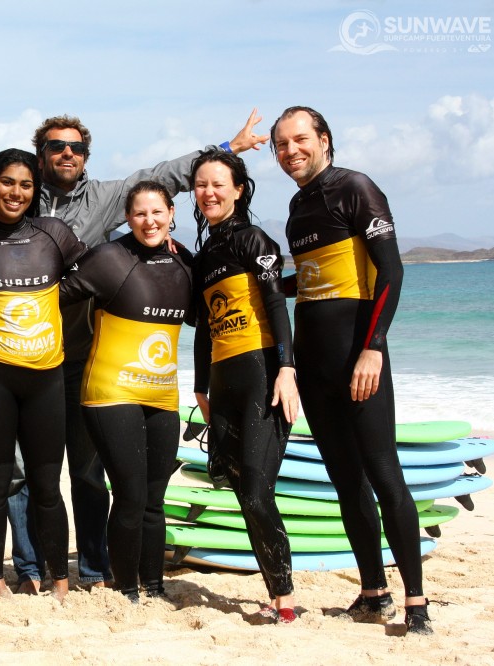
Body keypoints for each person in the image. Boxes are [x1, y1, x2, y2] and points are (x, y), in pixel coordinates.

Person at [0, 108, 268, 592]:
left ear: (85, 156)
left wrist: (227, 151)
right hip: (5, 360)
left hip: (81, 356)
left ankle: (95, 569)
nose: (66, 154)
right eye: (56, 146)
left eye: (76, 148)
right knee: (16, 475)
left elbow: (160, 183)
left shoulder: (106, 198)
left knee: (84, 471)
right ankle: (30, 568)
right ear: (40, 156)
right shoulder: (14, 188)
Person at [270, 106, 429, 635]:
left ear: (324, 139)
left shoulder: (355, 187)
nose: (290, 151)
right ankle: (372, 590)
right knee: (345, 481)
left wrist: (374, 347)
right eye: (281, 145)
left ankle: (417, 602)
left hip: (358, 360)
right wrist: (262, 288)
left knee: (385, 476)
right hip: (314, 363)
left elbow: (391, 269)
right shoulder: (296, 207)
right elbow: (313, 281)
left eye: (299, 140)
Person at [0, 148, 87, 601]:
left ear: (36, 191)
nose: (16, 192)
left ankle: (60, 581)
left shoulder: (52, 234)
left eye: (26, 185)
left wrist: (163, 248)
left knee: (49, 487)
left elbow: (95, 274)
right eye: (8, 182)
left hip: (46, 377)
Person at [58, 181, 193, 604]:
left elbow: (213, 313)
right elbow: (48, 298)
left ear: (171, 213)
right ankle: (127, 588)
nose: (148, 221)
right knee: (131, 494)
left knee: (155, 499)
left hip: (163, 395)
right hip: (110, 392)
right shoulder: (108, 259)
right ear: (127, 218)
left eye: (157, 212)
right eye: (139, 214)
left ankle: (154, 586)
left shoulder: (185, 263)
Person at [190, 149, 298, 623]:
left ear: (238, 189)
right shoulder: (204, 255)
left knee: (256, 489)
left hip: (261, 374)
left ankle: (286, 599)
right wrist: (199, 388)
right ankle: (275, 592)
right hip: (221, 381)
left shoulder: (254, 240)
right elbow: (202, 327)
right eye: (201, 185)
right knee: (241, 491)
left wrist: (287, 369)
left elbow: (277, 307)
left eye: (218, 184)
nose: (208, 192)